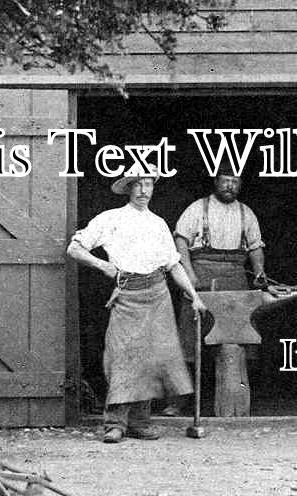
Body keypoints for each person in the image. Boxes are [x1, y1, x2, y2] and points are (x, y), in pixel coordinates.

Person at [67, 169, 205, 444]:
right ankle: (115, 423)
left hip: (157, 293)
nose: (143, 190)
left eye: (148, 184)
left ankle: (140, 422)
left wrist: (193, 295)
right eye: (138, 185)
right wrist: (102, 264)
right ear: (128, 188)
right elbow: (75, 248)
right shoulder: (111, 219)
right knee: (122, 357)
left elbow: (173, 264)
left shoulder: (158, 224)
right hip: (127, 295)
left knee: (151, 360)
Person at [173, 172, 268, 292]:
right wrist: (189, 275)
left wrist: (259, 272)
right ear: (216, 182)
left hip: (236, 281)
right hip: (201, 278)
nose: (230, 186)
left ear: (240, 185)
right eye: (225, 181)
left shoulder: (247, 213)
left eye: (235, 182)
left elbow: (255, 247)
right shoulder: (197, 208)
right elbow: (181, 242)